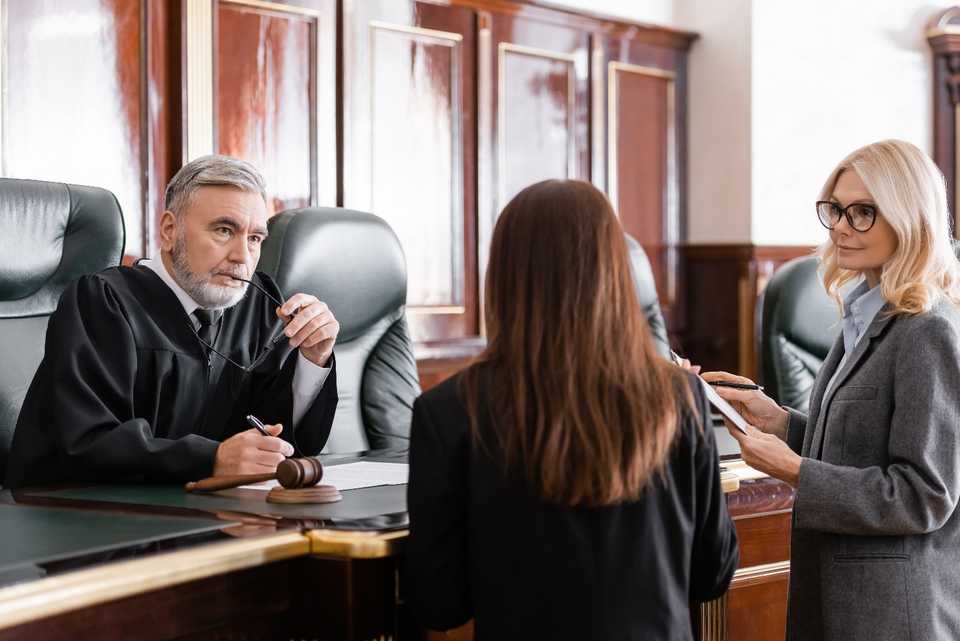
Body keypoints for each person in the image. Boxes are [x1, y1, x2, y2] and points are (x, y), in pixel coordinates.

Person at [406, 180, 738, 641]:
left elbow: (439, 603)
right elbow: (712, 574)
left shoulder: (447, 412)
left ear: (501, 277)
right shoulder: (682, 398)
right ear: (615, 275)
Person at [704, 139, 960, 641]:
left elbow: (923, 496)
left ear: (911, 220)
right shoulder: (864, 312)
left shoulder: (927, 331)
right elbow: (861, 446)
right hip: (836, 596)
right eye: (837, 209)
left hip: (891, 615)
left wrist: (790, 469)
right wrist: (780, 422)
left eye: (864, 212)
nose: (842, 226)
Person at [4, 155, 340, 488]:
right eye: (224, 230)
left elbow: (279, 436)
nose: (242, 256)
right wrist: (212, 460)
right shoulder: (105, 302)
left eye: (254, 239)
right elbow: (88, 441)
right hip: (76, 517)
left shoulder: (258, 305)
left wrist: (313, 358)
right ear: (169, 230)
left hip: (202, 514)